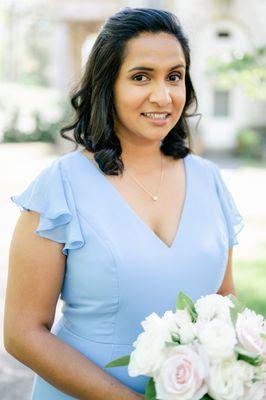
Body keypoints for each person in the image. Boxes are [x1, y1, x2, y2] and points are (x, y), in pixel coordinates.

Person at [4, 7, 244, 400]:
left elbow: (223, 301)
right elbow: (22, 332)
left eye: (175, 76)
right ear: (107, 84)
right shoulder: (59, 186)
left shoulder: (210, 180)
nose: (163, 95)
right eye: (140, 77)